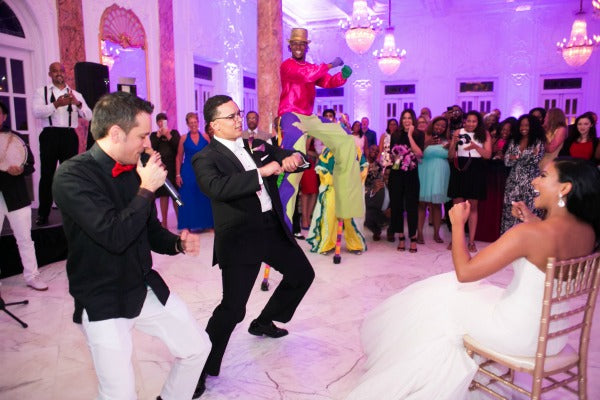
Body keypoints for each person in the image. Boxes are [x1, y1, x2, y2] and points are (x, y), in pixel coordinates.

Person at [346, 157, 600, 400]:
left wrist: (457, 225)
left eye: (544, 176)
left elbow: (465, 273)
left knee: (440, 296)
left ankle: (429, 381)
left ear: (564, 188)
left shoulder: (529, 235)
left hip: (519, 334)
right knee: (456, 294)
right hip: (554, 337)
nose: (534, 182)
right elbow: (551, 247)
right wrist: (532, 221)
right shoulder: (588, 231)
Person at [52, 92, 210, 400]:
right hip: (102, 296)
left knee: (197, 348)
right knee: (119, 393)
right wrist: (147, 187)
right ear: (115, 133)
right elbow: (114, 235)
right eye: (142, 135)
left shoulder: (133, 169)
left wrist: (177, 242)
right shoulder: (72, 176)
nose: (146, 142)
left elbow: (148, 230)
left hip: (143, 285)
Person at [191, 95, 315, 398]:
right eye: (231, 116)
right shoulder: (206, 157)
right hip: (240, 237)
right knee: (232, 309)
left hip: (270, 228)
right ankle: (198, 368)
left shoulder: (256, 144)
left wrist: (294, 160)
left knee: (302, 275)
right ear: (214, 125)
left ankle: (263, 322)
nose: (238, 120)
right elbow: (217, 188)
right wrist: (263, 172)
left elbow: (291, 156)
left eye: (238, 114)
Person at [32, 62, 92, 226]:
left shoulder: (76, 94)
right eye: (55, 71)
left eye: (61, 71)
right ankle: (43, 213)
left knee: (70, 176)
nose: (59, 73)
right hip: (49, 135)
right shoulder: (41, 92)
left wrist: (77, 104)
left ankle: (71, 212)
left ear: (65, 73)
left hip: (69, 136)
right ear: (50, 74)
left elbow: (89, 116)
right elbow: (36, 112)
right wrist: (56, 104)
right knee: (47, 175)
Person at [0, 101, 48, 290]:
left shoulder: (16, 138)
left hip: (16, 195)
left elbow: (31, 165)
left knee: (24, 238)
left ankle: (32, 275)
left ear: (4, 117)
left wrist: (20, 169)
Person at [447, 110, 492, 252]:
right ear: (464, 121)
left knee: (473, 207)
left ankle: (471, 241)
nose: (471, 123)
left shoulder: (484, 134)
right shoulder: (457, 132)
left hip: (476, 169)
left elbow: (488, 155)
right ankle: (456, 240)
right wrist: (453, 143)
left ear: (478, 122)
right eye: (468, 120)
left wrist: (475, 147)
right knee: (457, 207)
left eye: (474, 121)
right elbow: (450, 156)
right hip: (459, 168)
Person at [385, 110, 424, 253]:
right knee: (397, 206)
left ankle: (413, 237)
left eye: (409, 118)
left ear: (412, 120)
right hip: (396, 174)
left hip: (412, 174)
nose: (406, 120)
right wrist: (393, 158)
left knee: (412, 206)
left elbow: (419, 153)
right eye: (404, 118)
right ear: (401, 120)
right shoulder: (395, 135)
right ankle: (401, 237)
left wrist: (409, 135)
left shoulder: (419, 134)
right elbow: (391, 154)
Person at [501, 114, 545, 233]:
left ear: (533, 126)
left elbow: (535, 160)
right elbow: (506, 162)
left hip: (530, 181)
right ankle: (509, 240)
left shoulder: (538, 142)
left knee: (529, 210)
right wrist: (527, 155)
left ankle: (529, 242)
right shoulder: (514, 141)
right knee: (511, 210)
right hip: (513, 181)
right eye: (521, 125)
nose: (523, 127)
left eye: (527, 125)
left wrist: (515, 156)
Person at [176, 112, 213, 231]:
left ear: (198, 122)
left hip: (203, 170)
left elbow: (212, 154)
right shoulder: (183, 138)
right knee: (187, 197)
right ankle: (186, 225)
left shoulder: (206, 137)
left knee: (204, 196)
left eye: (195, 122)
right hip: (188, 170)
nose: (193, 125)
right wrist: (177, 174)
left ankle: (207, 224)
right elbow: (179, 157)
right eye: (191, 123)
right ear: (187, 124)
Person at [417, 116, 450, 244]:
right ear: (433, 124)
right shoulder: (424, 136)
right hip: (425, 171)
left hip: (440, 174)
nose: (440, 128)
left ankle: (436, 233)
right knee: (422, 204)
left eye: (443, 126)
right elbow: (417, 152)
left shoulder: (447, 140)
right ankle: (419, 233)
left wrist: (450, 147)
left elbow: (451, 157)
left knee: (437, 205)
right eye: (438, 125)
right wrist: (427, 143)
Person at [150, 112, 181, 228]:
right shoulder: (154, 135)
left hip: (173, 169)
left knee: (175, 196)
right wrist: (158, 137)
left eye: (163, 121)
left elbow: (178, 147)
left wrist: (168, 136)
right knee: (163, 196)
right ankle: (164, 222)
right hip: (160, 169)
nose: (161, 123)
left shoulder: (174, 133)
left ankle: (180, 221)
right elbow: (152, 148)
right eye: (159, 121)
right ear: (157, 123)